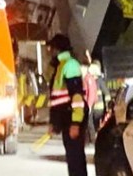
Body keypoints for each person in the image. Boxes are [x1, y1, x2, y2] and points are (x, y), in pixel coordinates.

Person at [47, 34, 87, 176]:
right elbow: (57, 99)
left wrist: (76, 122)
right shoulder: (61, 66)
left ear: (58, 49)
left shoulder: (69, 65)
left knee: (75, 158)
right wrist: (54, 123)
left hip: (72, 118)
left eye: (51, 48)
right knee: (72, 157)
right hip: (67, 118)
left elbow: (76, 96)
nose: (49, 51)